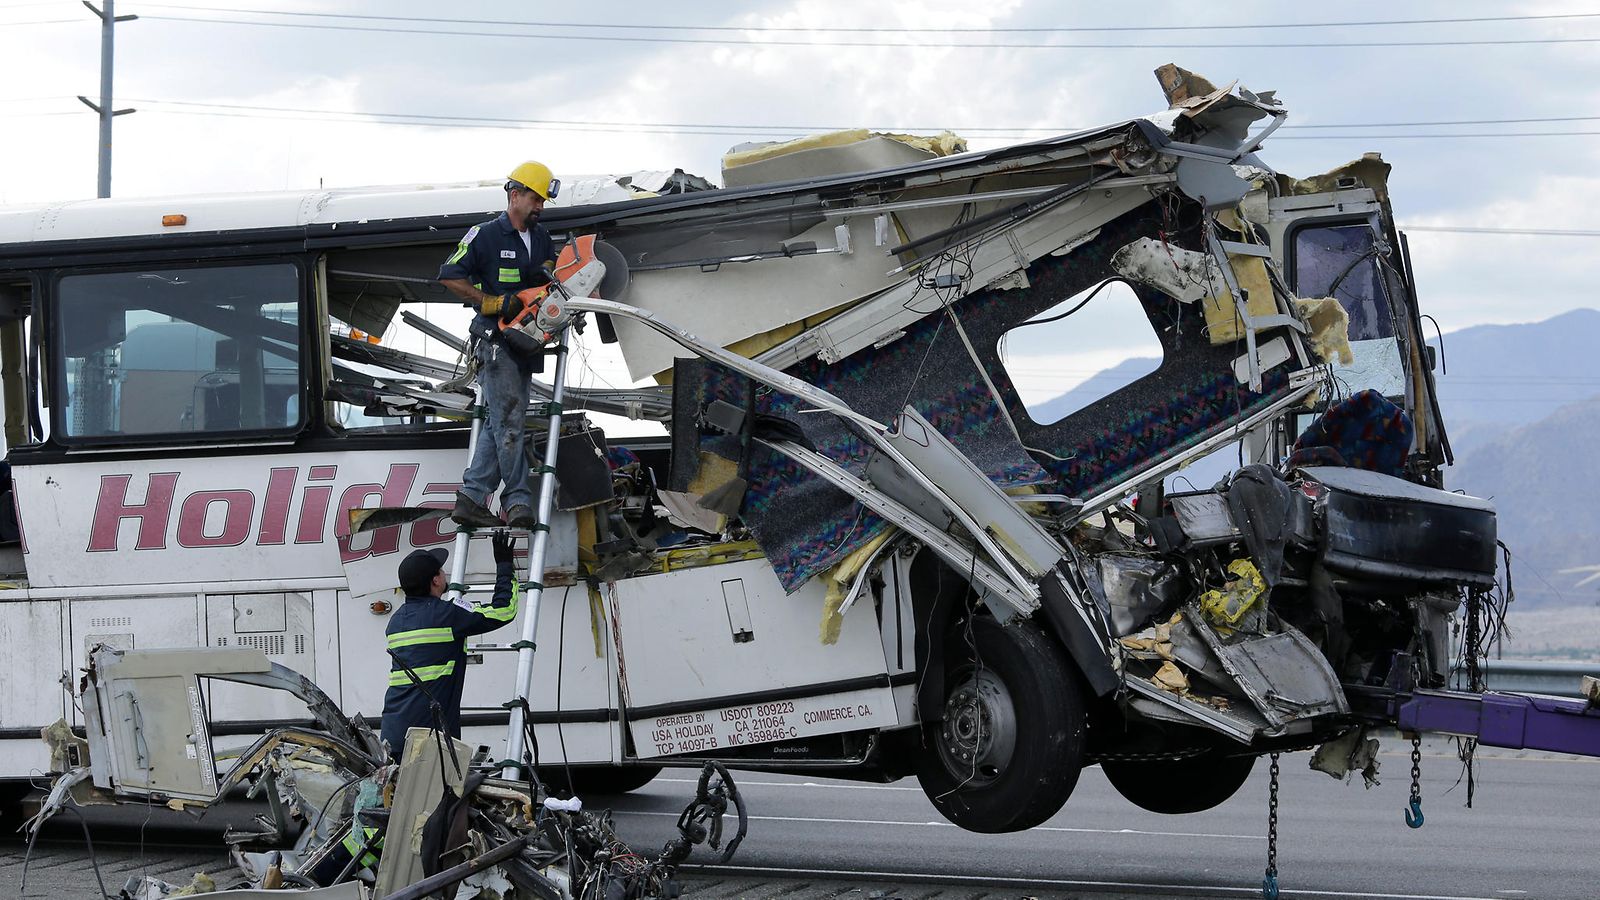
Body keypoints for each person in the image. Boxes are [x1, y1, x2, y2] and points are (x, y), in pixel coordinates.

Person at [438, 161, 562, 528]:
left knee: (502, 421)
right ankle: (518, 500)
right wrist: (487, 301)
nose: (540, 206)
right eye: (535, 198)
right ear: (514, 195)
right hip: (494, 342)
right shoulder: (485, 235)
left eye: (542, 200)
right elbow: (449, 275)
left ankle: (472, 497)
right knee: (509, 422)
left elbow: (551, 276)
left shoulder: (541, 238)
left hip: (527, 341)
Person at [380, 534, 519, 757]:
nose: (445, 574)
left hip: (393, 733)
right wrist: (504, 566)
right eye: (441, 571)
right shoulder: (448, 614)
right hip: (429, 738)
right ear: (435, 580)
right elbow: (504, 611)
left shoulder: (396, 621)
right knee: (436, 791)